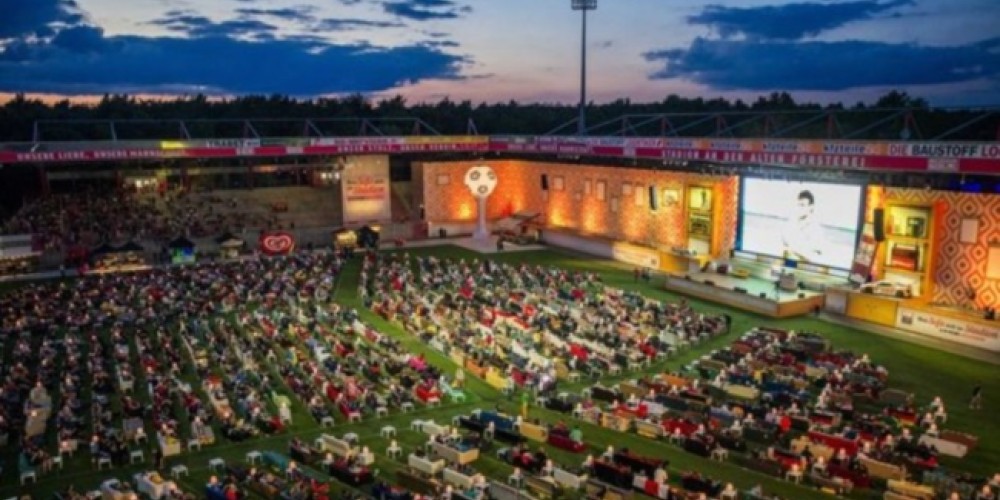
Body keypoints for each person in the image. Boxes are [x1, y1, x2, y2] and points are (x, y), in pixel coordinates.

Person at [781, 190, 826, 263]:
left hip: (804, 265)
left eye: (802, 205)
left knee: (792, 257)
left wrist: (794, 250)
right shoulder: (791, 223)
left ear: (811, 207)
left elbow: (816, 256)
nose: (799, 208)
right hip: (788, 262)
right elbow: (784, 243)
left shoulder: (816, 229)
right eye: (798, 205)